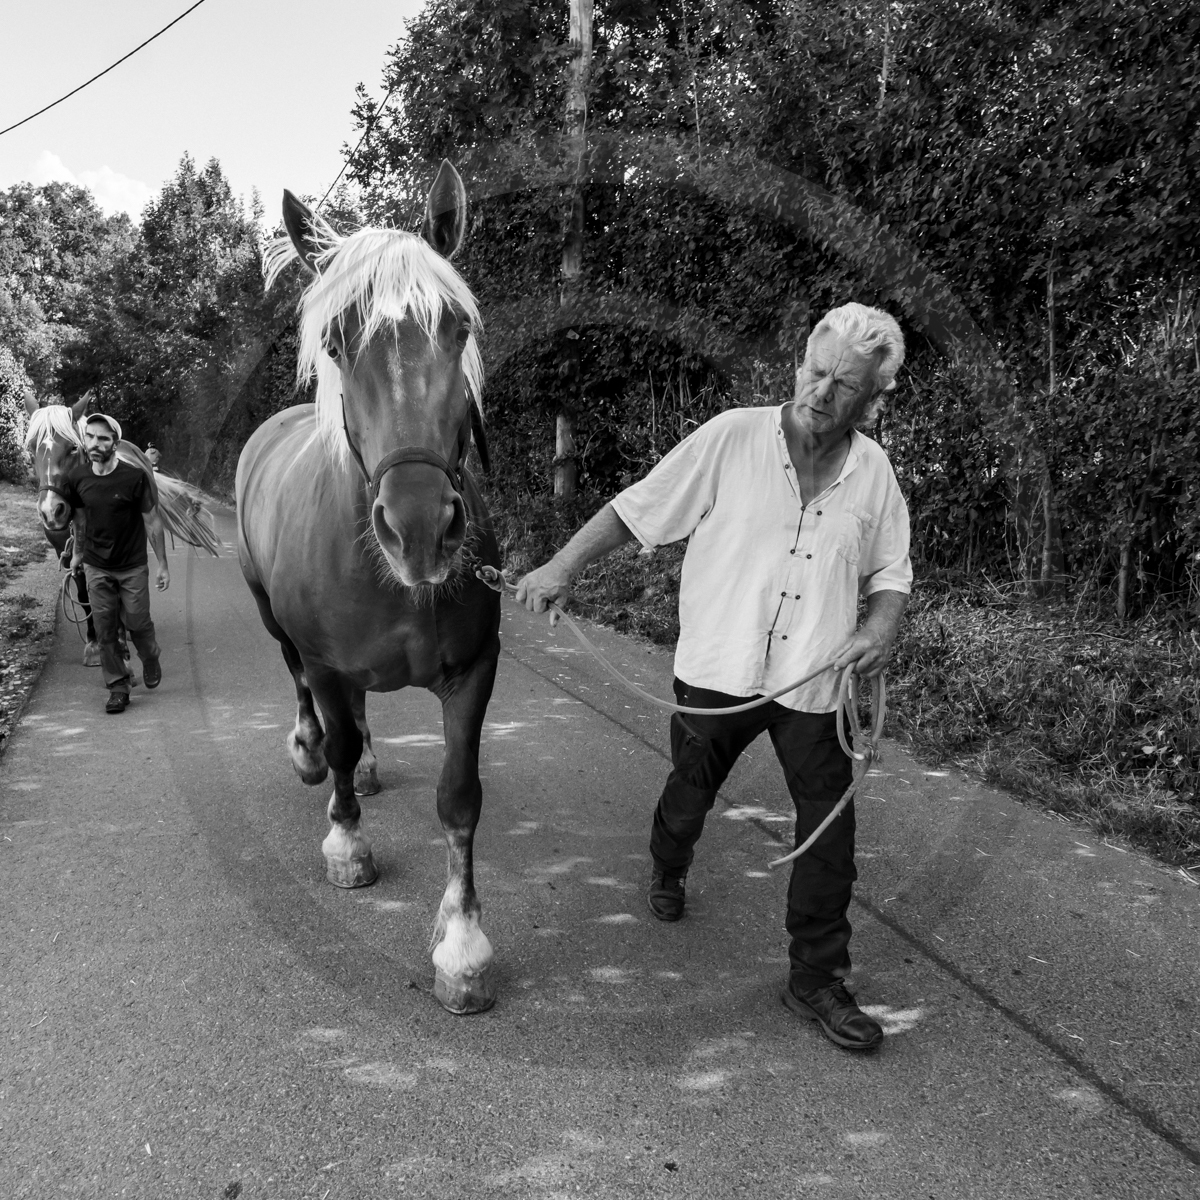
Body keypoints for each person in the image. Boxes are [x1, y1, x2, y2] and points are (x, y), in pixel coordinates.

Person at [517, 303, 911, 1052]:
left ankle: (816, 978)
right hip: (719, 666)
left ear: (872, 398)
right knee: (690, 789)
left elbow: (891, 569)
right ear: (800, 365)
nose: (822, 392)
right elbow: (639, 511)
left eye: (844, 384)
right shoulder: (733, 436)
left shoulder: (875, 474)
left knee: (832, 832)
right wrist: (561, 567)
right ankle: (669, 860)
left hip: (814, 679)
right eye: (815, 371)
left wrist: (880, 625)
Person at [65, 414, 170, 714]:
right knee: (105, 628)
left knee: (138, 624)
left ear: (116, 442)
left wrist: (163, 565)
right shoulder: (78, 479)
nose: (95, 443)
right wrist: (77, 554)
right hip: (97, 566)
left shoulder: (133, 478)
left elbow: (152, 522)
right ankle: (118, 686)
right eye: (90, 437)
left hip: (132, 565)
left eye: (103, 438)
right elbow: (80, 520)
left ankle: (149, 656)